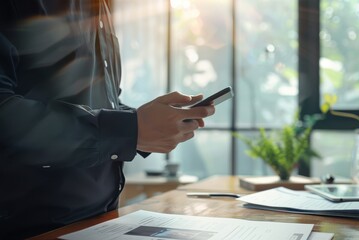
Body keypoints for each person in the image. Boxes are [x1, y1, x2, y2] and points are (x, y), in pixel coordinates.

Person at [0, 1, 215, 239]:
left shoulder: (99, 7)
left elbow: (103, 106)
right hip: (30, 228)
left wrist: (147, 123)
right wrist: (130, 129)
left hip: (101, 221)